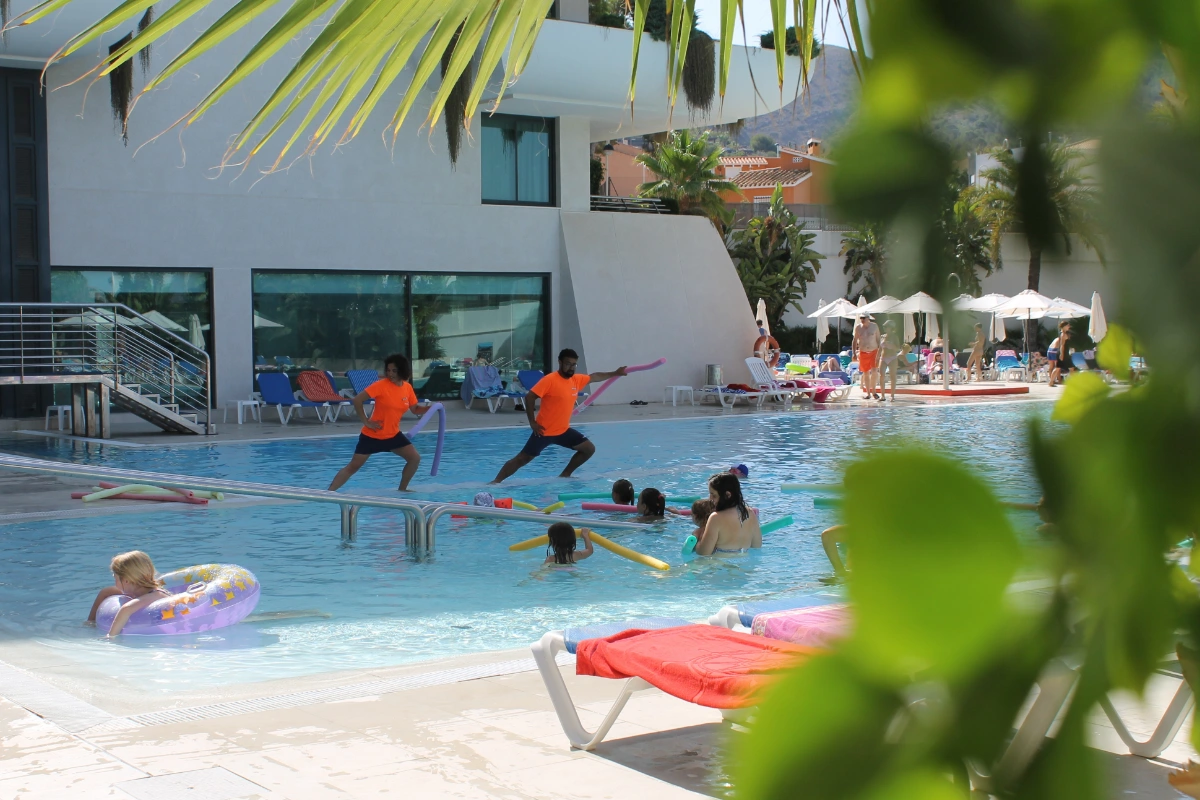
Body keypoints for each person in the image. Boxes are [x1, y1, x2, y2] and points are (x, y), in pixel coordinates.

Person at [492, 349, 627, 483]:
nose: (571, 367)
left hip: (563, 431)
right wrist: (532, 422)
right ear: (560, 362)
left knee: (588, 449)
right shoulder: (549, 380)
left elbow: (594, 376)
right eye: (568, 364)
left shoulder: (576, 380)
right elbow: (530, 397)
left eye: (574, 364)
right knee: (522, 459)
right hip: (544, 431)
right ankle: (496, 482)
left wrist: (615, 373)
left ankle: (565, 475)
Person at [328, 354, 427, 492]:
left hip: (393, 435)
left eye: (394, 370)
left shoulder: (407, 388)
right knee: (353, 466)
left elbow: (415, 409)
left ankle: (402, 490)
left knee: (414, 458)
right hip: (373, 435)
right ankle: (330, 492)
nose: (390, 374)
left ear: (402, 371)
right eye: (388, 370)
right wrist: (366, 421)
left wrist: (432, 408)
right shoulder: (381, 385)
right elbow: (357, 400)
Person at [87, 550, 170, 636]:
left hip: (158, 626)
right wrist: (90, 623)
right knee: (106, 592)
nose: (115, 582)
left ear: (126, 581)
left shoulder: (155, 595)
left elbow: (126, 609)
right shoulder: (138, 589)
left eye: (116, 579)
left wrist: (110, 637)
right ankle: (89, 624)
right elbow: (105, 592)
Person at [694, 473, 762, 555]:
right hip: (745, 565)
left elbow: (704, 553)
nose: (710, 499)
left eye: (714, 495)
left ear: (727, 495)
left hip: (720, 565)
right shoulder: (750, 514)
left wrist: (697, 538)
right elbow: (757, 546)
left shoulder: (716, 518)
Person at [853, 312, 881, 400]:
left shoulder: (874, 326)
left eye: (863, 318)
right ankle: (868, 393)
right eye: (861, 318)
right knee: (866, 373)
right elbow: (854, 341)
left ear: (868, 318)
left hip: (874, 351)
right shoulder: (858, 327)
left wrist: (880, 353)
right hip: (863, 352)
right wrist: (854, 352)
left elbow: (878, 340)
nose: (862, 319)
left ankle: (874, 391)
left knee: (874, 371)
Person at [878, 320, 900, 401]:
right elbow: (880, 348)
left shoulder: (894, 337)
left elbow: (898, 348)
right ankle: (882, 395)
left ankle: (892, 395)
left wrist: (891, 346)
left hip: (892, 357)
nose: (885, 328)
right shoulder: (882, 336)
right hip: (883, 357)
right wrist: (877, 357)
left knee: (892, 376)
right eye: (884, 327)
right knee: (881, 376)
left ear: (891, 328)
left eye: (886, 327)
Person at [1047, 321, 1072, 387]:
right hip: (1063, 353)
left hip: (1065, 353)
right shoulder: (1063, 334)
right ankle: (1051, 382)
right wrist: (1061, 354)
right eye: (1068, 325)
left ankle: (1051, 382)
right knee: (1058, 368)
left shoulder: (1064, 333)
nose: (1069, 327)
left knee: (1071, 368)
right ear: (1064, 326)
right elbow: (1062, 345)